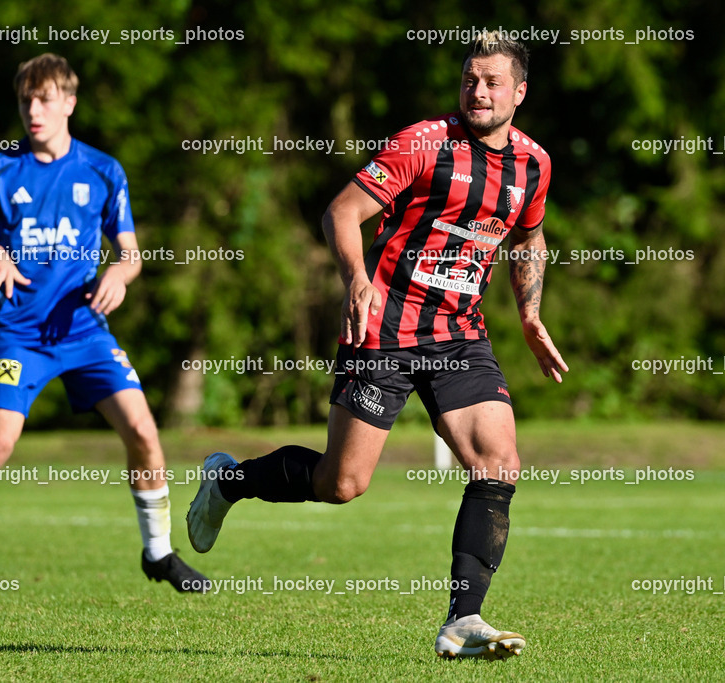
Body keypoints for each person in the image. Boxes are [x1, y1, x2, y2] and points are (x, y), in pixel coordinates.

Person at [187, 32, 567, 658]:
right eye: (470, 80)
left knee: (498, 462)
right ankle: (229, 480)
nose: (478, 91)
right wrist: (356, 280)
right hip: (384, 330)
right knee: (341, 483)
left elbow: (528, 237)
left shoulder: (534, 164)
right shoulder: (423, 143)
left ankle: (463, 620)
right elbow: (340, 212)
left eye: (493, 82)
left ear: (519, 92)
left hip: (459, 334)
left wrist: (529, 313)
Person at [0, 53, 207, 596]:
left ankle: (159, 554)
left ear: (69, 103)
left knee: (143, 431)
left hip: (85, 332)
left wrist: (119, 273)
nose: (34, 110)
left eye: (45, 99)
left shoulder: (103, 170)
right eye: (25, 100)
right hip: (19, 335)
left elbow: (131, 254)